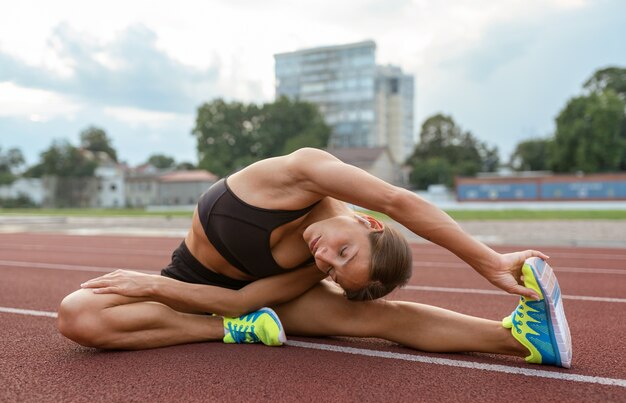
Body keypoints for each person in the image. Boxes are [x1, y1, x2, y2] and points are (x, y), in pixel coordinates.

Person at [57, 147, 572, 368]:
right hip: (193, 280)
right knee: (77, 315)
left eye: (331, 269)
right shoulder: (305, 172)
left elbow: (246, 298)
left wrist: (155, 289)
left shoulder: (313, 265)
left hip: (239, 300)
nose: (324, 256)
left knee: (375, 317)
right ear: (366, 220)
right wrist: (485, 261)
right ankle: (232, 333)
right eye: (343, 250)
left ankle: (523, 340)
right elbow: (398, 199)